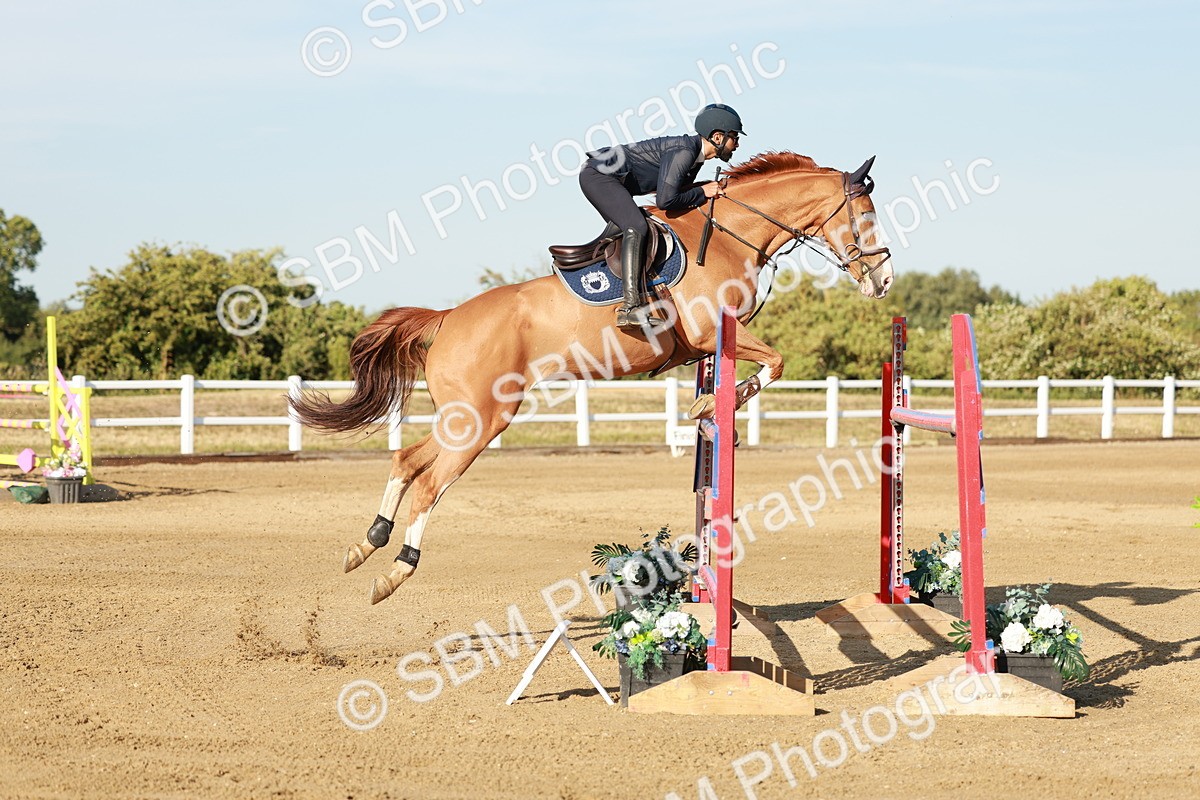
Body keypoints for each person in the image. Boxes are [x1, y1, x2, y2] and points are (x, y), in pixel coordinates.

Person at [580, 103, 744, 330]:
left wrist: (701, 189)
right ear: (717, 136)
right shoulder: (685, 152)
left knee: (637, 225)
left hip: (609, 178)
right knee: (636, 226)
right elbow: (665, 201)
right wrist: (701, 192)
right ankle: (630, 309)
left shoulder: (694, 158)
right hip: (599, 175)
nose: (737, 144)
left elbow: (675, 196)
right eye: (734, 137)